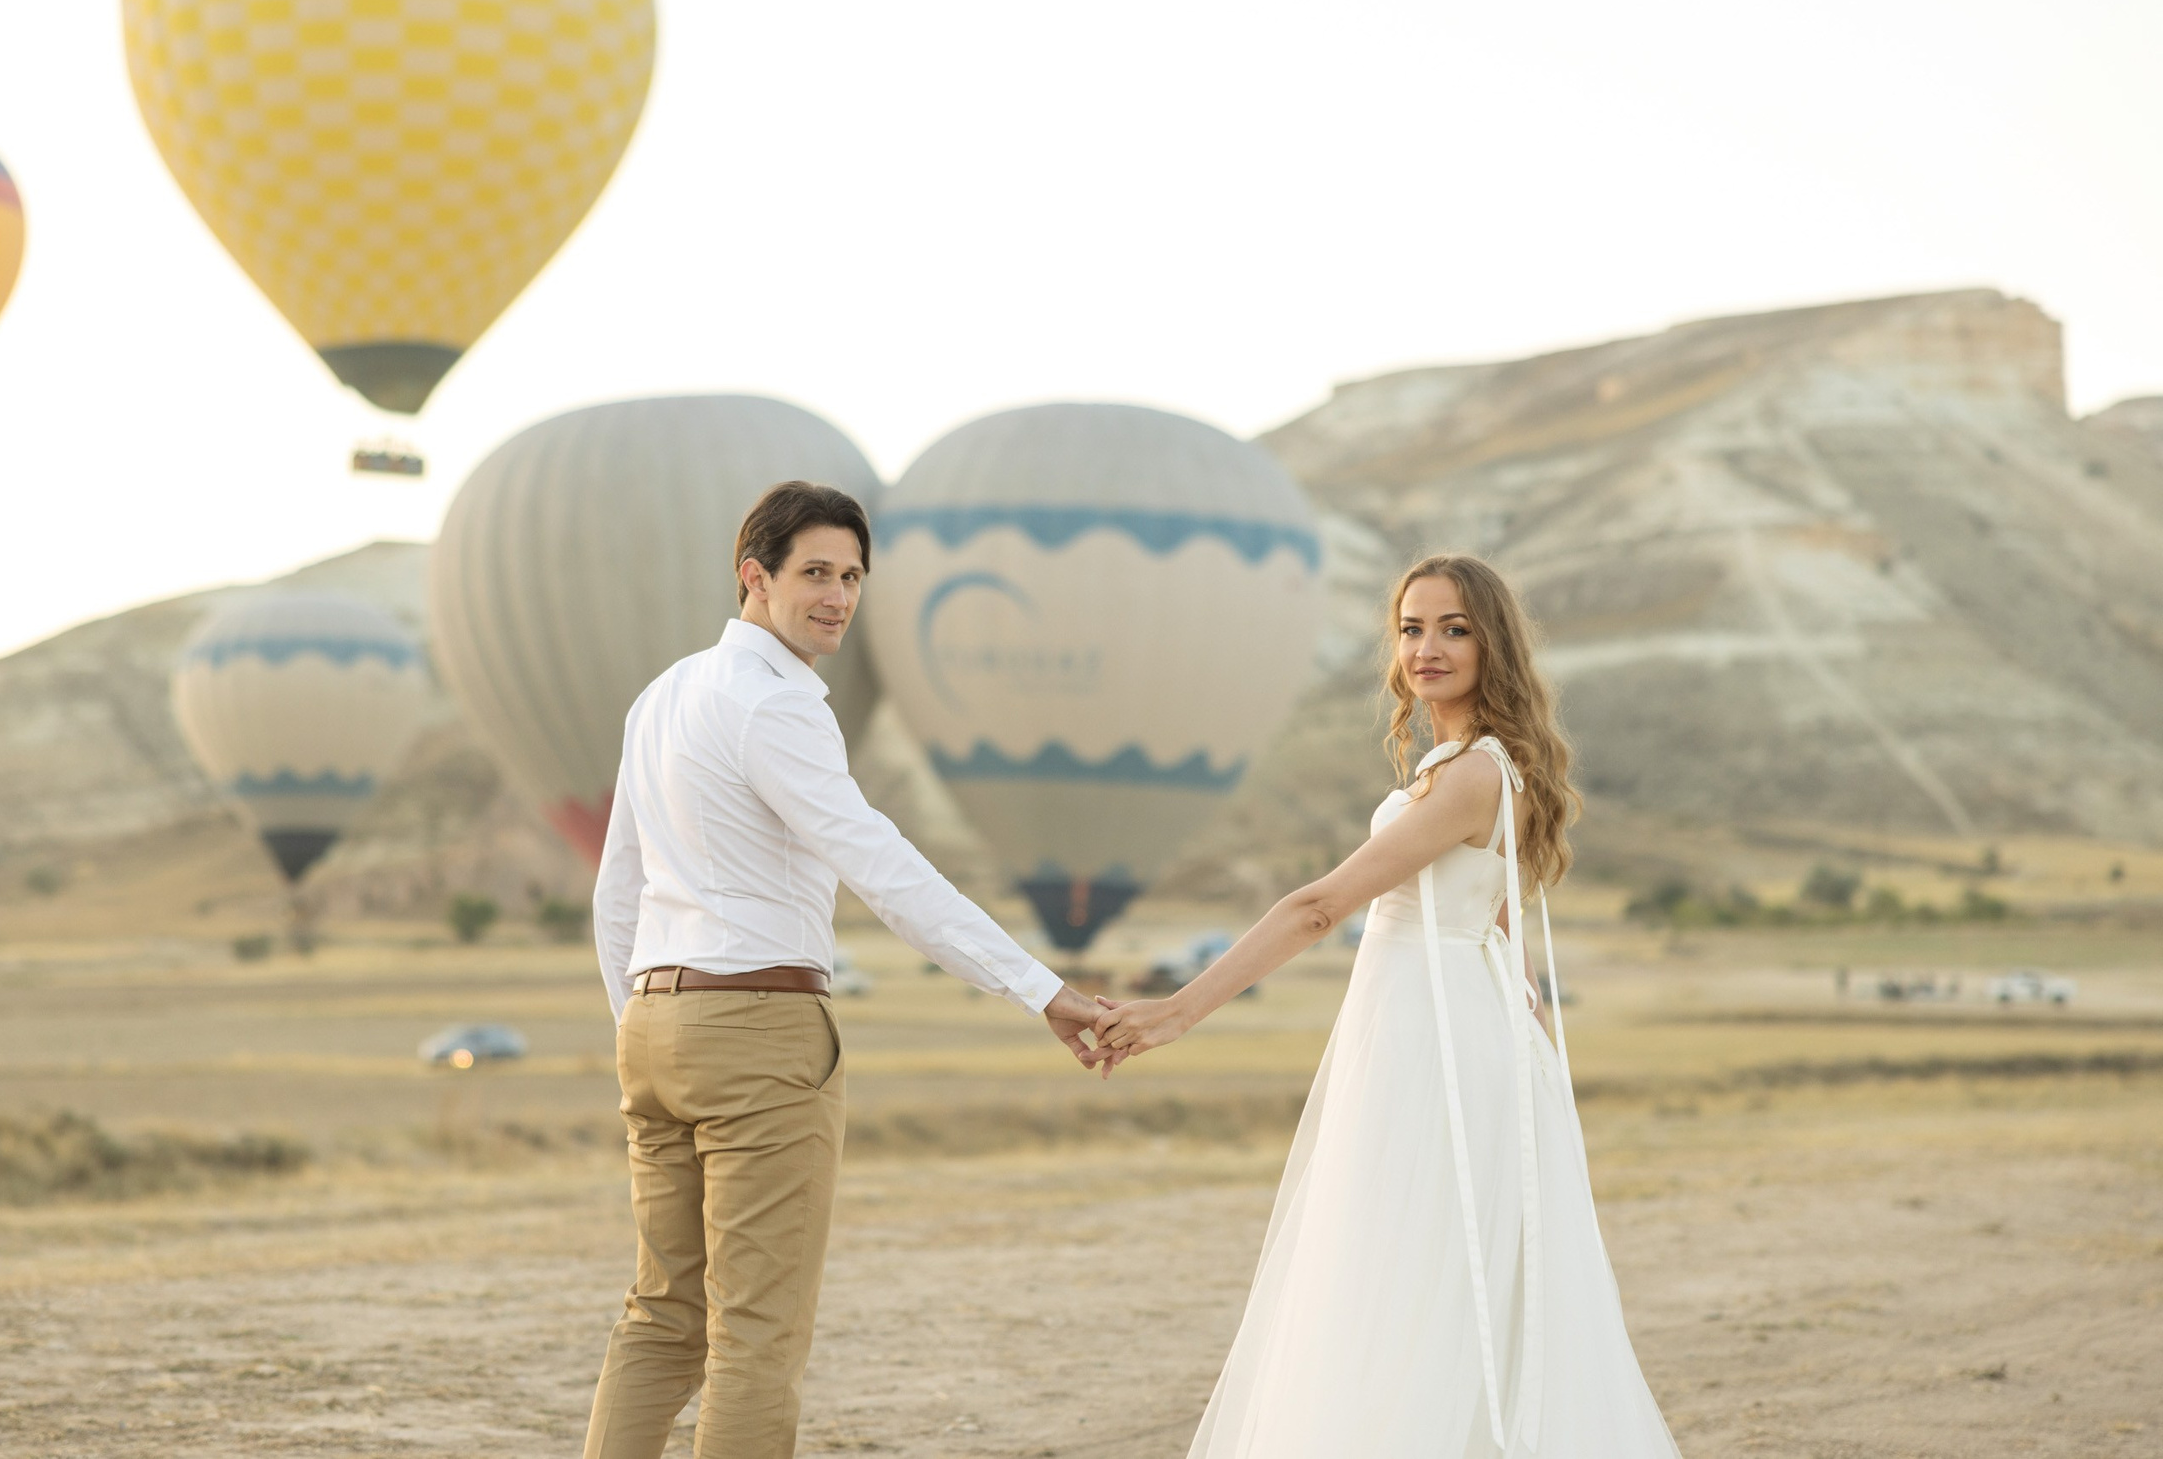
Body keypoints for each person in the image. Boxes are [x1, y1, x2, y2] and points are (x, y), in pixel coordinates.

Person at [1093, 553, 1682, 1457]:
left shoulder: (1472, 778)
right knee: (1418, 1275)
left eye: (1455, 628)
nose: (1428, 648)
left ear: (1495, 644)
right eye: (1412, 628)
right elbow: (1494, 924)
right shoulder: (1478, 770)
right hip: (1443, 1032)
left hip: (1430, 1048)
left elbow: (1319, 907)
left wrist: (1177, 1011)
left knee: (1403, 1272)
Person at [584, 479, 1108, 1459]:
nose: (837, 596)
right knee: (756, 1331)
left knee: (662, 1312)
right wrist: (1039, 986)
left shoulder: (663, 695)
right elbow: (881, 865)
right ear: (755, 575)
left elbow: (618, 894)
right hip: (754, 1035)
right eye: (815, 572)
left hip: (656, 1030)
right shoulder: (775, 705)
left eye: (853, 576)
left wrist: (639, 1018)